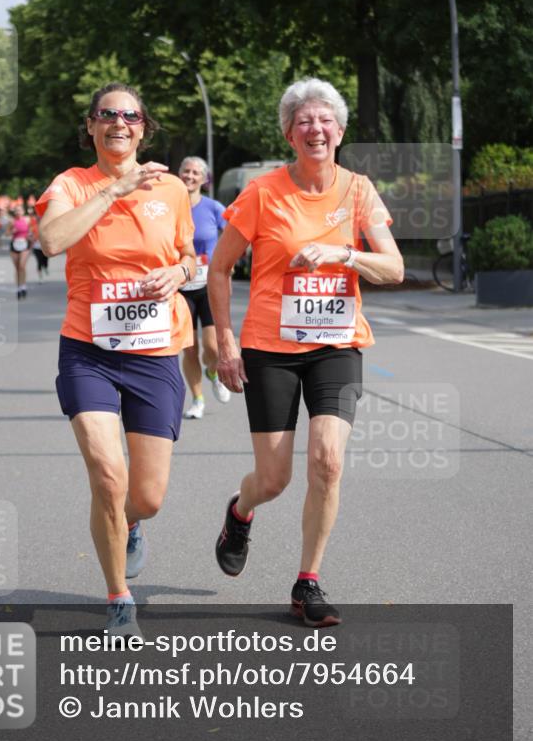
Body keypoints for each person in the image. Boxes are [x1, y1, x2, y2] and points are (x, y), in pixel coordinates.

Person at [208, 78, 404, 628]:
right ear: (289, 134)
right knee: (274, 479)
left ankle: (308, 581)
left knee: (328, 462)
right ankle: (239, 511)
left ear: (339, 132)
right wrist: (225, 341)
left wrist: (345, 253)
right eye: (304, 122)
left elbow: (394, 268)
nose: (315, 129)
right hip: (270, 347)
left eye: (324, 121)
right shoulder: (263, 193)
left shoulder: (358, 190)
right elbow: (219, 268)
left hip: (336, 346)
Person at [37, 82, 196, 637]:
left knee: (145, 497)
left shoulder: (172, 188)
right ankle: (118, 596)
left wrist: (179, 273)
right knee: (108, 475)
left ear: (143, 127)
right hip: (89, 352)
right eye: (108, 115)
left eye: (130, 115)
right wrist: (114, 190)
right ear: (91, 126)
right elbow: (52, 240)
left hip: (155, 353)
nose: (119, 123)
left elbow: (189, 258)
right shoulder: (72, 184)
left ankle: (130, 525)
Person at [177, 156, 231, 418]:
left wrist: (226, 264)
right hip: (180, 286)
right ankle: (197, 399)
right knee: (189, 348)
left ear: (204, 179)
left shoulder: (213, 207)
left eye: (195, 172)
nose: (190, 176)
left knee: (211, 347)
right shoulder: (169, 207)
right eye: (186, 171)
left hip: (207, 286)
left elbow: (233, 234)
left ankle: (213, 372)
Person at [8, 204, 32, 299]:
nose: (18, 212)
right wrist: (12, 231)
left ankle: (23, 286)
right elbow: (6, 233)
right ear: (15, 212)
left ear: (23, 211)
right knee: (17, 268)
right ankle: (18, 287)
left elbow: (31, 231)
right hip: (14, 245)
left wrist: (30, 236)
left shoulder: (27, 220)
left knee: (22, 266)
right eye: (16, 211)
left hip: (25, 244)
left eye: (19, 210)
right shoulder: (12, 221)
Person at [27, 205, 49, 281]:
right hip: (36, 247)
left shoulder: (45, 226)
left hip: (44, 246)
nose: (39, 219)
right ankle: (40, 277)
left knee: (45, 260)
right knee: (39, 261)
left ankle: (45, 267)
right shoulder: (33, 227)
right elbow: (29, 236)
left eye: (40, 218)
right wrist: (32, 239)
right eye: (37, 218)